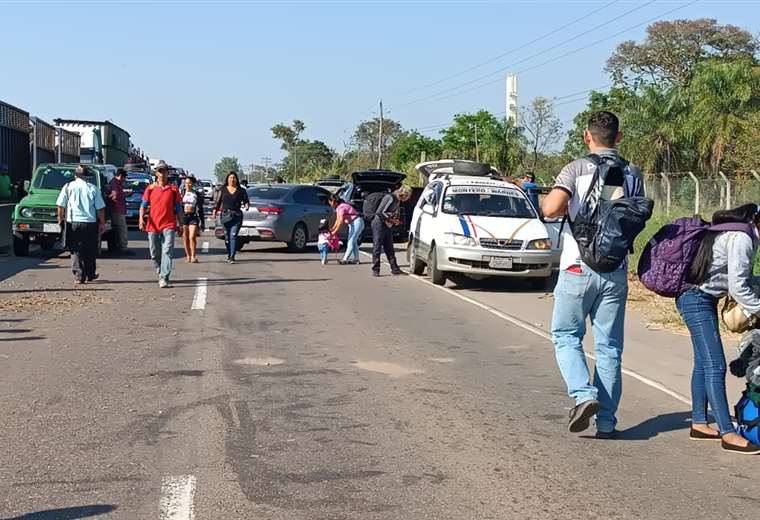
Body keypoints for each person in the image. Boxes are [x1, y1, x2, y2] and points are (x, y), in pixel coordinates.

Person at [542, 111, 644, 439]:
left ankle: (584, 395)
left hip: (577, 266)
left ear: (587, 136)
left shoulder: (575, 168)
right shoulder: (632, 173)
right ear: (619, 137)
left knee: (566, 336)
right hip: (615, 270)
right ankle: (608, 422)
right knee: (610, 348)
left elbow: (551, 209)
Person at [676, 204, 760, 454]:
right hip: (695, 298)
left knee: (703, 363)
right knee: (716, 365)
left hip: (700, 297)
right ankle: (728, 433)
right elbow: (738, 288)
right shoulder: (742, 238)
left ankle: (699, 423)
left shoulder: (741, 234)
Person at [56, 165, 106, 285]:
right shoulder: (93, 188)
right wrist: (102, 222)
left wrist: (60, 217)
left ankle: (79, 275)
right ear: (87, 177)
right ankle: (90, 273)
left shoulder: (68, 187)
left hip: (73, 222)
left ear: (75, 175)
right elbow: (100, 208)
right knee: (90, 249)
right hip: (90, 223)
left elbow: (60, 205)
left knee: (75, 249)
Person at [140, 160, 182, 288]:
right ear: (156, 173)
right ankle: (160, 269)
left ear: (167, 173)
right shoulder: (150, 189)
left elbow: (179, 208)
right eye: (159, 171)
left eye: (164, 171)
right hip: (153, 225)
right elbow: (143, 205)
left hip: (168, 224)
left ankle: (164, 277)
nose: (162, 173)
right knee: (154, 252)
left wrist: (181, 224)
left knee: (167, 251)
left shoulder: (173, 189)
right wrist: (141, 219)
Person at [364, 185, 412, 278]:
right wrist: (391, 219)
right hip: (378, 223)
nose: (407, 198)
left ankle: (395, 269)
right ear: (403, 193)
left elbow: (391, 213)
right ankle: (376, 269)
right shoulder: (390, 197)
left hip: (387, 224)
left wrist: (393, 220)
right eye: (407, 195)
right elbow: (380, 212)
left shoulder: (398, 200)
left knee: (389, 247)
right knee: (377, 246)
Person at [214, 171, 250, 264]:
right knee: (227, 237)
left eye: (234, 178)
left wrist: (246, 205)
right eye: (230, 178)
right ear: (227, 179)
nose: (232, 179)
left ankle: (232, 257)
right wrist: (214, 211)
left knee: (233, 236)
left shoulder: (241, 190)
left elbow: (246, 200)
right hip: (225, 216)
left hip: (236, 216)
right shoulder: (223, 189)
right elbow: (218, 202)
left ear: (236, 179)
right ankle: (229, 254)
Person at [329, 196, 363, 265]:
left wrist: (335, 231)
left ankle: (345, 259)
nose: (330, 204)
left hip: (356, 222)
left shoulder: (341, 207)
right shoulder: (339, 208)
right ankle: (356, 259)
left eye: (330, 202)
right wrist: (333, 229)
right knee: (354, 242)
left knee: (351, 241)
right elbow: (337, 220)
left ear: (333, 201)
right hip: (353, 223)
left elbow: (340, 221)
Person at [180, 175, 205, 263]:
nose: (188, 184)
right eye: (186, 183)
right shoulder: (182, 193)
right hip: (184, 216)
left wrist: (202, 222)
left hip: (193, 216)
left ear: (193, 184)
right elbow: (177, 206)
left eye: (189, 183)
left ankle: (193, 256)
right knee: (185, 237)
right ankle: (188, 255)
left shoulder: (196, 194)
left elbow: (200, 209)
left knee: (192, 236)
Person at [107, 168, 130, 254]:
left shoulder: (117, 183)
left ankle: (117, 246)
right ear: (120, 176)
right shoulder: (114, 183)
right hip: (117, 210)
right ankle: (123, 248)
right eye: (124, 177)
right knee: (122, 228)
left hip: (118, 209)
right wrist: (125, 194)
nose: (124, 180)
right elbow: (115, 195)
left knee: (117, 229)